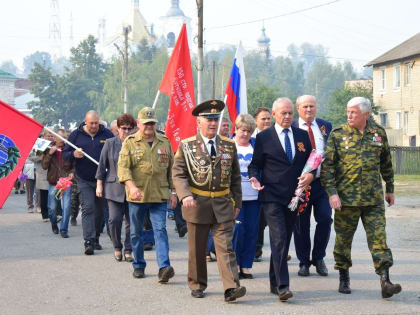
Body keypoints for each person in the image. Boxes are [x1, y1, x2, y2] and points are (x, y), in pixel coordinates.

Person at [321, 97, 402, 298]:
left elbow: (386, 163)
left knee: (379, 239)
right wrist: (332, 193)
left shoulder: (378, 134)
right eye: (348, 111)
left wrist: (390, 188)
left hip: (373, 199)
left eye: (354, 112)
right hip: (346, 200)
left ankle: (385, 280)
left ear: (366, 114)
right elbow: (327, 167)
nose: (349, 115)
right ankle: (343, 276)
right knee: (343, 241)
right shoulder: (338, 135)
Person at [172, 99, 246, 302]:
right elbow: (178, 174)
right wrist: (184, 195)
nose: (213, 123)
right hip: (197, 204)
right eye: (208, 119)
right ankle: (197, 284)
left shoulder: (229, 145)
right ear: (198, 122)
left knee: (226, 248)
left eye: (215, 119)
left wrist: (237, 203)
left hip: (223, 204)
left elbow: (235, 178)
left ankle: (231, 287)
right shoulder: (186, 146)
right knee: (197, 249)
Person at [248, 97, 314, 301]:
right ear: (274, 114)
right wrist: (254, 177)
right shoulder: (264, 137)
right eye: (283, 113)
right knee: (278, 238)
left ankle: (273, 282)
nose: (287, 117)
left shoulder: (302, 135)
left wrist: (311, 175)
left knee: (284, 240)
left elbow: (311, 162)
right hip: (271, 196)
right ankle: (283, 286)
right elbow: (256, 164)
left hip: (294, 197)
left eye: (290, 113)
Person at [118, 107, 176, 282]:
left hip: (159, 194)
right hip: (138, 196)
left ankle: (164, 267)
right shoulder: (129, 142)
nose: (149, 126)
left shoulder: (164, 142)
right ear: (138, 124)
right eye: (145, 123)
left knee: (160, 230)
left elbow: (171, 170)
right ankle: (139, 265)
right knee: (136, 233)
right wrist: (132, 186)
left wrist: (173, 192)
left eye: (152, 123)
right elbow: (123, 168)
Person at [292, 95, 333, 277]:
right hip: (300, 185)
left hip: (321, 183)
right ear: (298, 108)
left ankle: (319, 257)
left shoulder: (325, 126)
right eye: (305, 107)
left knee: (325, 219)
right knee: (301, 224)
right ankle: (303, 262)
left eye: (312, 106)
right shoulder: (291, 127)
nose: (309, 110)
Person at [63, 110, 114, 255]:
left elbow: (116, 150)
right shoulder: (75, 135)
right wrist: (73, 154)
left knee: (100, 211)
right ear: (85, 122)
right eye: (91, 123)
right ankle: (89, 241)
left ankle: (96, 236)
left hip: (103, 179)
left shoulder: (107, 135)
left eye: (96, 123)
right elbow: (65, 155)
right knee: (87, 208)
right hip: (83, 178)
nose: (94, 126)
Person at [96, 114, 135, 262]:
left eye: (129, 128)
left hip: (132, 189)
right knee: (114, 219)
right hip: (113, 187)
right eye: (123, 128)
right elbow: (102, 165)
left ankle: (129, 249)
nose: (126, 131)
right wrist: (99, 184)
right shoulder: (110, 143)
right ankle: (117, 247)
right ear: (117, 129)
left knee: (132, 221)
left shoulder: (137, 143)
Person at [232, 114, 259, 279]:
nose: (245, 134)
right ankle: (234, 263)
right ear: (236, 129)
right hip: (235, 197)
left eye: (249, 131)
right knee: (237, 229)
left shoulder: (256, 145)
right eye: (243, 130)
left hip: (254, 196)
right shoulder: (228, 145)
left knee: (251, 231)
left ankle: (246, 265)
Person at [42, 129, 73, 237]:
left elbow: (74, 164)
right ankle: (54, 223)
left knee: (67, 206)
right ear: (55, 138)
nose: (63, 140)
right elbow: (44, 166)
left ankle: (64, 229)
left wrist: (72, 172)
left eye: (65, 138)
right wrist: (50, 154)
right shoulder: (49, 148)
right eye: (61, 138)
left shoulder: (69, 149)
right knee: (52, 208)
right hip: (53, 182)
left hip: (66, 181)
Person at [251, 107, 272, 262]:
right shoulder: (250, 139)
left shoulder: (274, 137)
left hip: (271, 183)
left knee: (270, 218)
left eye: (268, 118)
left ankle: (278, 250)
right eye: (263, 119)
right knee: (258, 219)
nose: (266, 121)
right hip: (253, 184)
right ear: (255, 121)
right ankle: (256, 248)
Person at [30, 130, 55, 222]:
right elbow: (31, 156)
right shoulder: (39, 146)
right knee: (44, 195)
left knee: (54, 195)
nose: (50, 137)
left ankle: (55, 213)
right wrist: (39, 158)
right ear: (44, 137)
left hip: (54, 173)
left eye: (52, 136)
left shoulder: (56, 146)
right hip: (42, 173)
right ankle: (45, 215)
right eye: (48, 136)